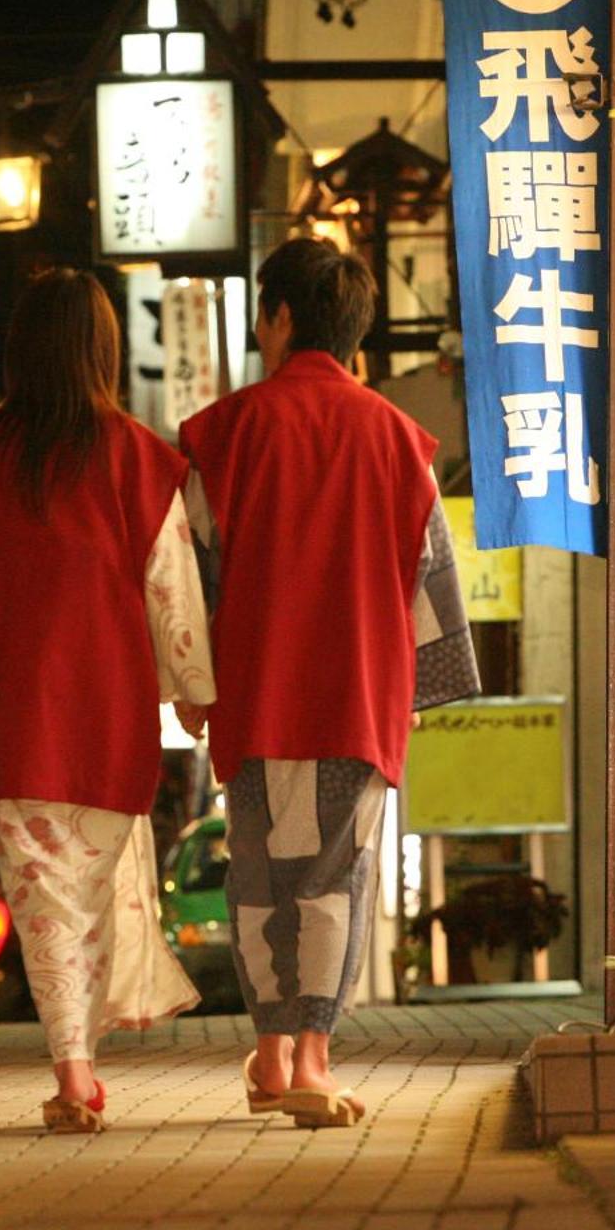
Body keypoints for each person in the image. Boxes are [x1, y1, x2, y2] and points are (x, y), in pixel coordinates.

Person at [0, 267, 213, 1133]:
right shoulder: (142, 462)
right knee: (96, 888)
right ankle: (81, 1067)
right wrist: (193, 689)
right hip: (110, 713)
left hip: (13, 713)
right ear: (104, 350)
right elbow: (171, 588)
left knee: (44, 903)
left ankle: (73, 1070)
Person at [177, 237, 479, 1129]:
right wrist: (421, 689)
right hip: (357, 691)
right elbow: (429, 576)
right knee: (334, 880)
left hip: (257, 690)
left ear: (276, 319)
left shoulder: (224, 432)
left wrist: (193, 680)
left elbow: (192, 566)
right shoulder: (398, 440)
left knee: (261, 877)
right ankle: (313, 1057)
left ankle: (271, 1057)